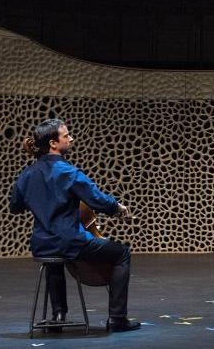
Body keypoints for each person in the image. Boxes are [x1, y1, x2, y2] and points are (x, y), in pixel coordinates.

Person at [9, 118, 141, 332]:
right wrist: (117, 208)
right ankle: (117, 319)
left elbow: (15, 207)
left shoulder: (27, 174)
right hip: (71, 243)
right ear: (53, 143)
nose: (71, 138)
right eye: (66, 135)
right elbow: (97, 199)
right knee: (122, 253)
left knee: (55, 260)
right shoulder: (67, 171)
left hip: (41, 244)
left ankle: (58, 315)